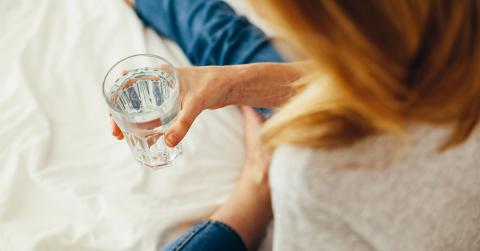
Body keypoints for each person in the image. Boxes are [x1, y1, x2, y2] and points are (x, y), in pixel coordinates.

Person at [113, 0, 480, 250]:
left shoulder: (317, 172)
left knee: (232, 43)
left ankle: (256, 186)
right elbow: (397, 81)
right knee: (233, 50)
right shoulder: (453, 40)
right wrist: (233, 83)